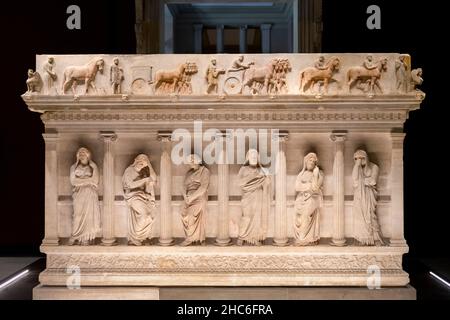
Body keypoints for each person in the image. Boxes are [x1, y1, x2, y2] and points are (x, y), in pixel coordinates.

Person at [237, 149, 271, 246]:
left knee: (257, 218)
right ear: (248, 158)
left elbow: (267, 184)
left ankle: (254, 238)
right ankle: (241, 236)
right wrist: (254, 177)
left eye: (255, 156)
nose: (254, 158)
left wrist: (266, 177)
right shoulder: (243, 169)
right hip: (247, 197)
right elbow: (240, 183)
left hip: (258, 196)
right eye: (252, 156)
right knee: (246, 216)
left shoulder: (261, 170)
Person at [68, 148, 101, 245]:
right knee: (77, 215)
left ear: (88, 155)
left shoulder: (93, 167)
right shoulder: (73, 167)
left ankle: (85, 238)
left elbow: (95, 181)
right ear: (77, 155)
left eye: (84, 153)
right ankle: (75, 235)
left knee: (89, 216)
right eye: (80, 153)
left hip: (90, 194)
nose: (82, 154)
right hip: (78, 194)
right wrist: (88, 180)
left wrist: (83, 181)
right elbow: (73, 181)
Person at [122, 154, 157, 246]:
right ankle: (135, 238)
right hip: (133, 196)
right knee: (144, 215)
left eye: (144, 161)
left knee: (151, 216)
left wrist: (149, 166)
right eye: (139, 160)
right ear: (135, 161)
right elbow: (130, 184)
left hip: (144, 196)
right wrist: (145, 180)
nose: (141, 162)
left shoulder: (145, 172)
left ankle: (144, 237)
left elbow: (154, 179)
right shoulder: (129, 170)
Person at [352, 150, 384, 246]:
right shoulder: (357, 169)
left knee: (370, 215)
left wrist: (361, 181)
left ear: (366, 157)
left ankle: (375, 238)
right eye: (356, 159)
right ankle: (363, 239)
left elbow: (373, 181)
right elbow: (354, 181)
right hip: (359, 196)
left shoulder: (374, 167)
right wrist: (357, 165)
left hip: (369, 195)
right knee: (360, 218)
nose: (360, 160)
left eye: (362, 158)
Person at [294, 153, 323, 246]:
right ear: (305, 162)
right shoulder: (301, 174)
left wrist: (315, 175)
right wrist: (308, 186)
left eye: (313, 161)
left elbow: (315, 187)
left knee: (306, 214)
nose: (311, 162)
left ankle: (304, 238)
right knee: (298, 217)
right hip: (301, 199)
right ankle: (302, 237)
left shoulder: (319, 173)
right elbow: (297, 187)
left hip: (313, 198)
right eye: (309, 160)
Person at [180, 154, 210, 246]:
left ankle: (190, 238)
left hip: (199, 197)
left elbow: (203, 187)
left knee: (190, 216)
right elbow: (183, 186)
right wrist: (185, 196)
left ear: (198, 160)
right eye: (189, 161)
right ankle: (192, 237)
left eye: (192, 160)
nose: (191, 162)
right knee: (183, 214)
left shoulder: (204, 171)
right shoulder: (189, 173)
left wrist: (192, 197)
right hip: (188, 198)